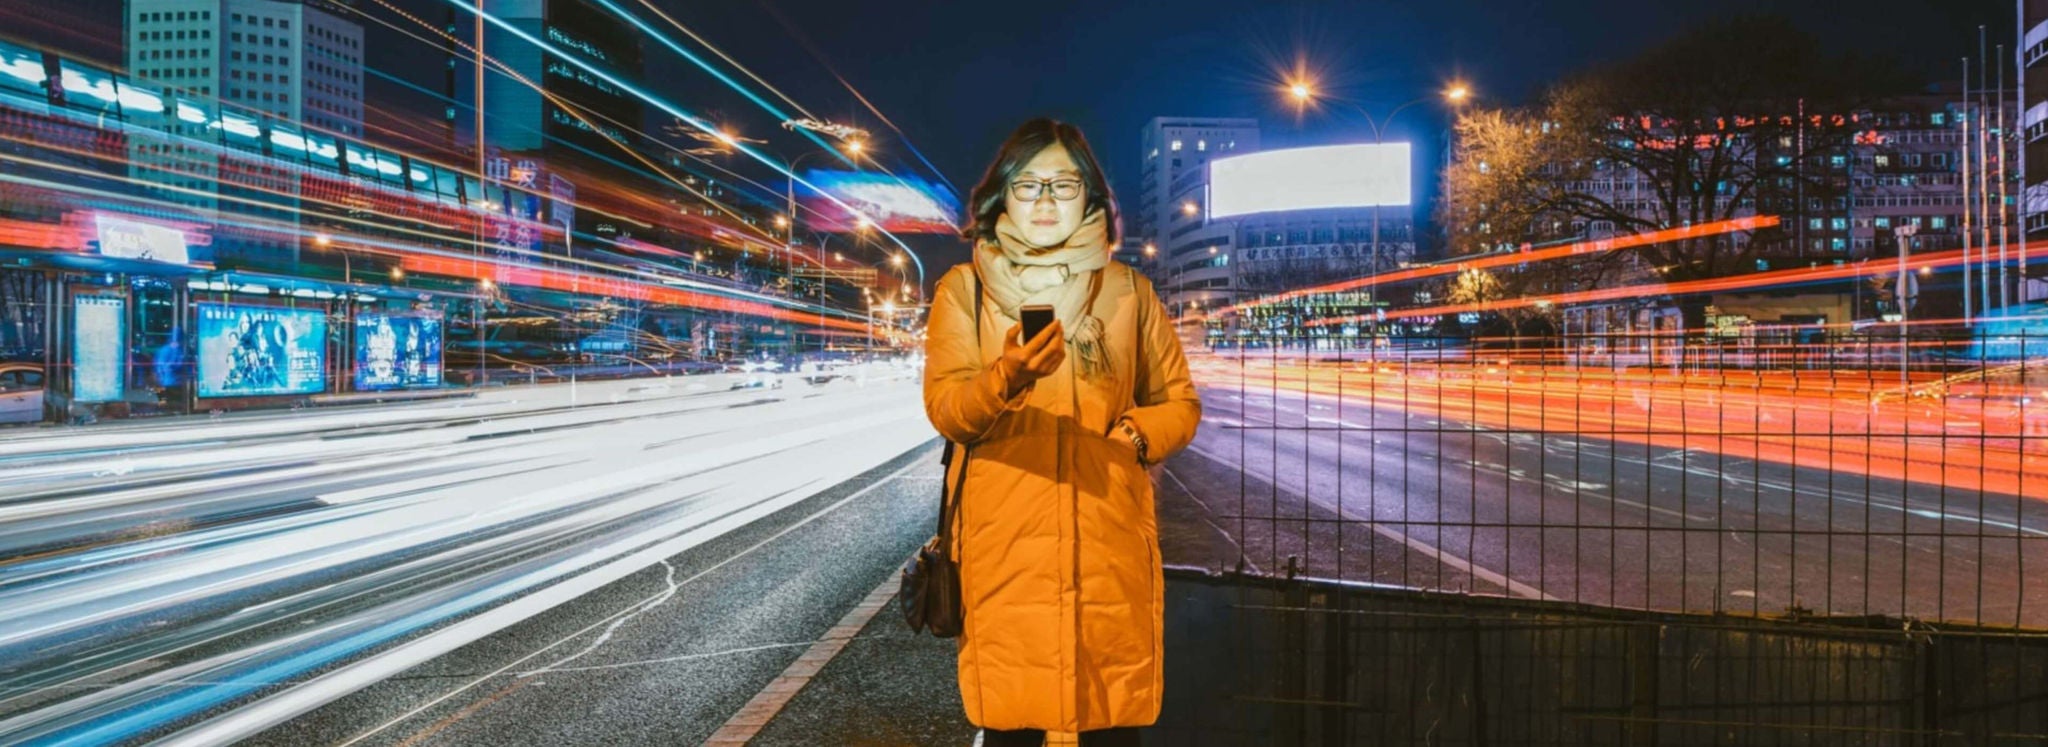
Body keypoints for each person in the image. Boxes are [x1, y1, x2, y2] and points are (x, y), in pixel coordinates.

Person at [922, 118, 1201, 746]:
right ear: (1002, 197)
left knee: (1109, 723)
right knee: (1013, 726)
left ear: (1091, 198)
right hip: (1005, 548)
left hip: (1108, 540)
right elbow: (947, 409)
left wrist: (1134, 438)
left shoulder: (1129, 292)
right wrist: (1006, 377)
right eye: (1028, 185)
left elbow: (1178, 402)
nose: (1045, 200)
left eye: (1064, 184)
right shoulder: (963, 292)